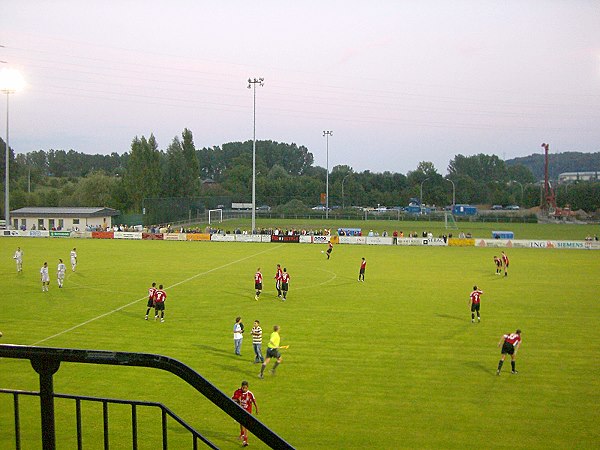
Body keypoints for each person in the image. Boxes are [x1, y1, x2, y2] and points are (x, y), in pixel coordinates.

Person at [231, 381, 258, 447]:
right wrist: (238, 400)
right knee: (241, 423)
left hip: (248, 412)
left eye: (245, 388)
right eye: (243, 388)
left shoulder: (250, 394)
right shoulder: (238, 392)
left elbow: (254, 401)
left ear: (247, 388)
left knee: (246, 426)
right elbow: (233, 399)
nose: (244, 389)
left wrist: (257, 409)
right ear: (241, 387)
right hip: (241, 411)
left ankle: (245, 441)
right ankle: (242, 434)